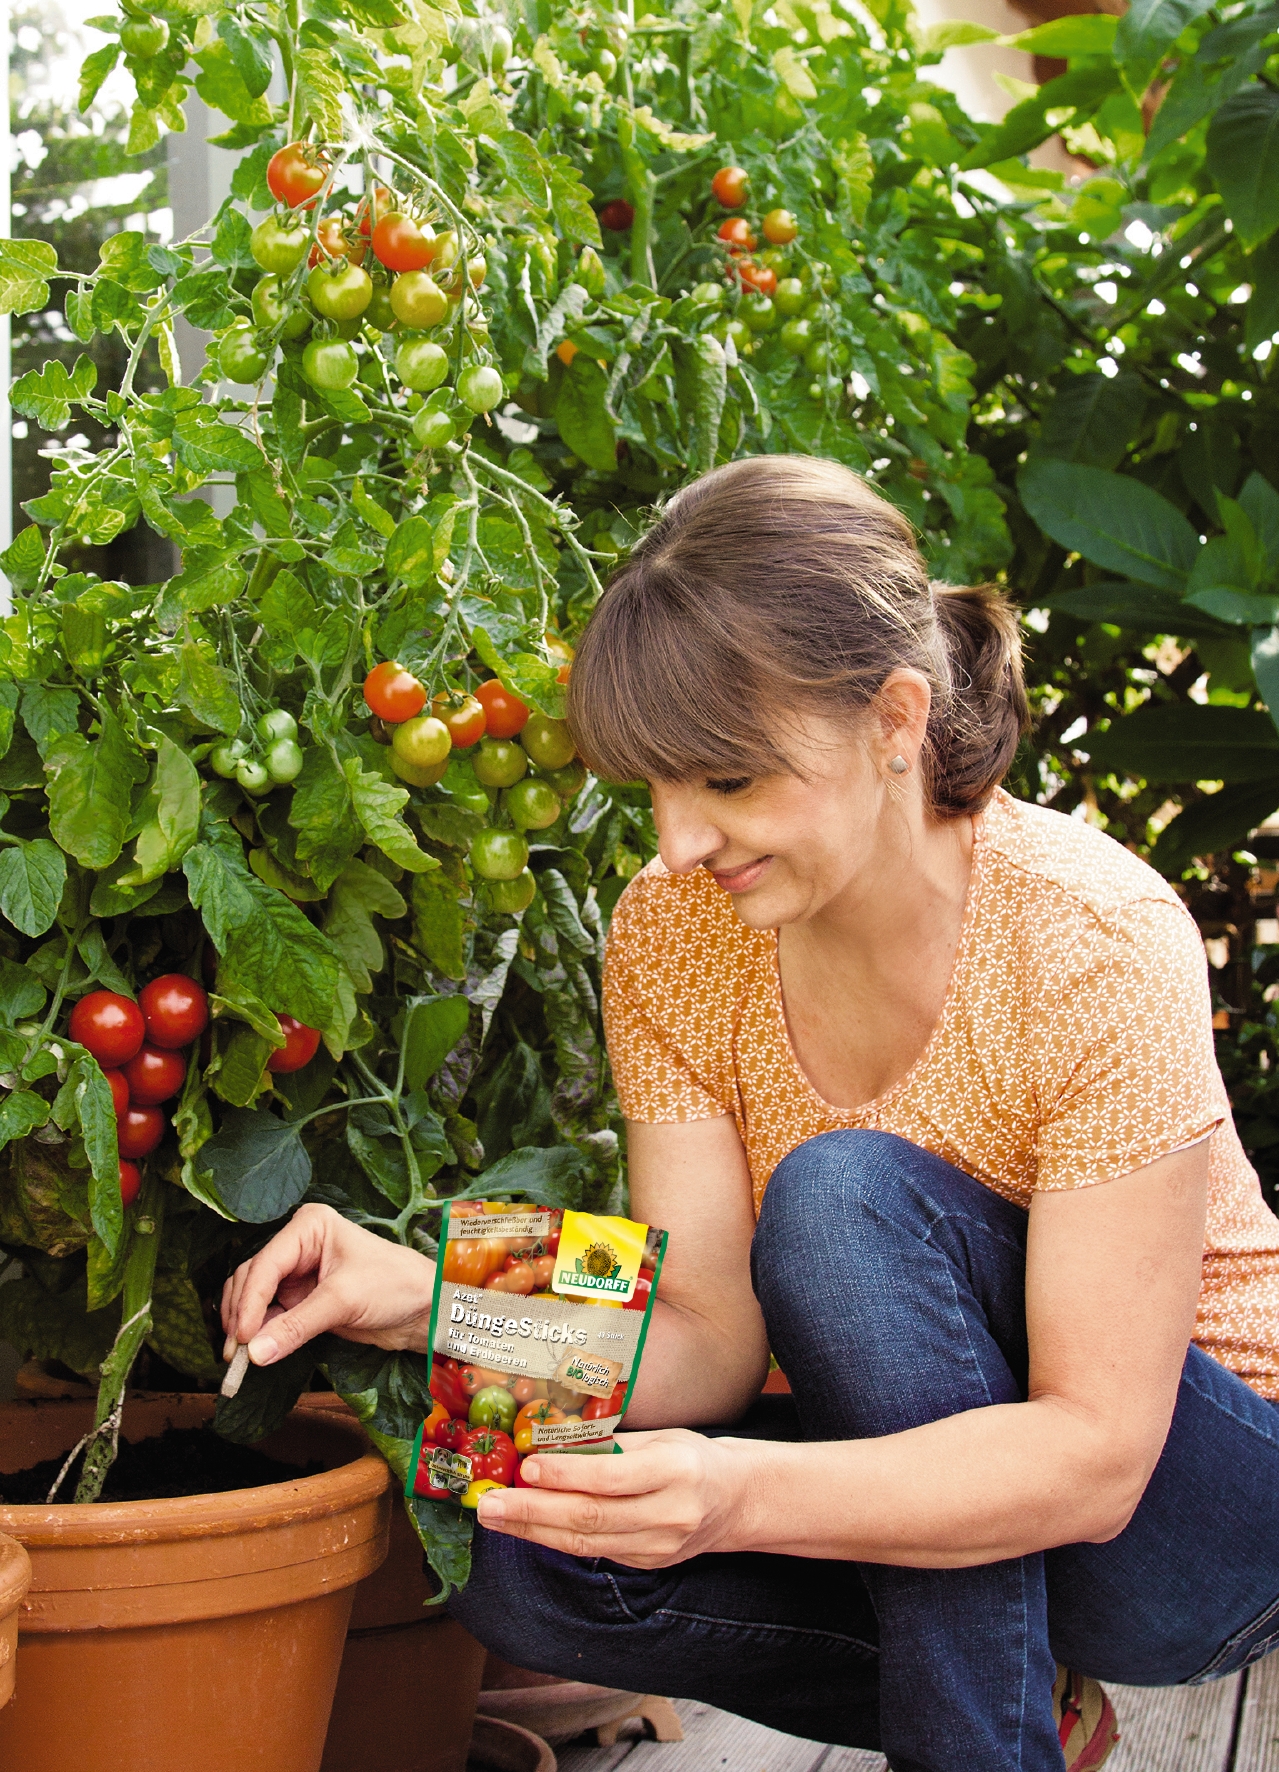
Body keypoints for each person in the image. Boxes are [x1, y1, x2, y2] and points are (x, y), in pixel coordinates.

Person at [222, 456, 1279, 1772]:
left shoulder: (1092, 939)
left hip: (1200, 1523)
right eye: (654, 787)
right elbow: (712, 1338)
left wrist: (734, 1494)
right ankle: (1026, 1719)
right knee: (514, 1518)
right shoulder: (672, 935)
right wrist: (427, 1295)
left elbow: (1097, 1455)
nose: (675, 844)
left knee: (840, 1202)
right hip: (946, 1506)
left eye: (726, 781)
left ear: (896, 721)